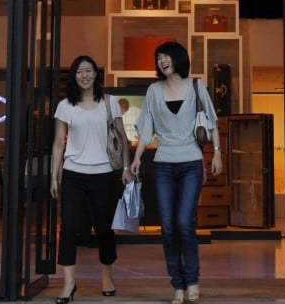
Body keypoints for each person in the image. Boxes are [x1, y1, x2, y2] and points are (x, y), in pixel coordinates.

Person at [129, 41, 220, 304]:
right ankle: (178, 285)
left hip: (191, 161)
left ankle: (192, 279)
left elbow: (211, 122)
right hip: (163, 164)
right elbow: (146, 129)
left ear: (178, 58)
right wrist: (136, 159)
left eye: (167, 56)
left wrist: (217, 153)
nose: (162, 60)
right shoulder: (154, 91)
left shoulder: (196, 85)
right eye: (159, 57)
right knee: (167, 226)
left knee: (184, 222)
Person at [50, 55, 132, 303]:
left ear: (96, 74)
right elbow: (57, 144)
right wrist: (54, 177)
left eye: (89, 70)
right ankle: (68, 282)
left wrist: (127, 167)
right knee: (69, 228)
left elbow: (122, 137)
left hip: (104, 174)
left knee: (104, 228)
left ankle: (107, 276)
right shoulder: (65, 105)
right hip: (74, 173)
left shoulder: (110, 102)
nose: (84, 75)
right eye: (79, 71)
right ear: (74, 76)